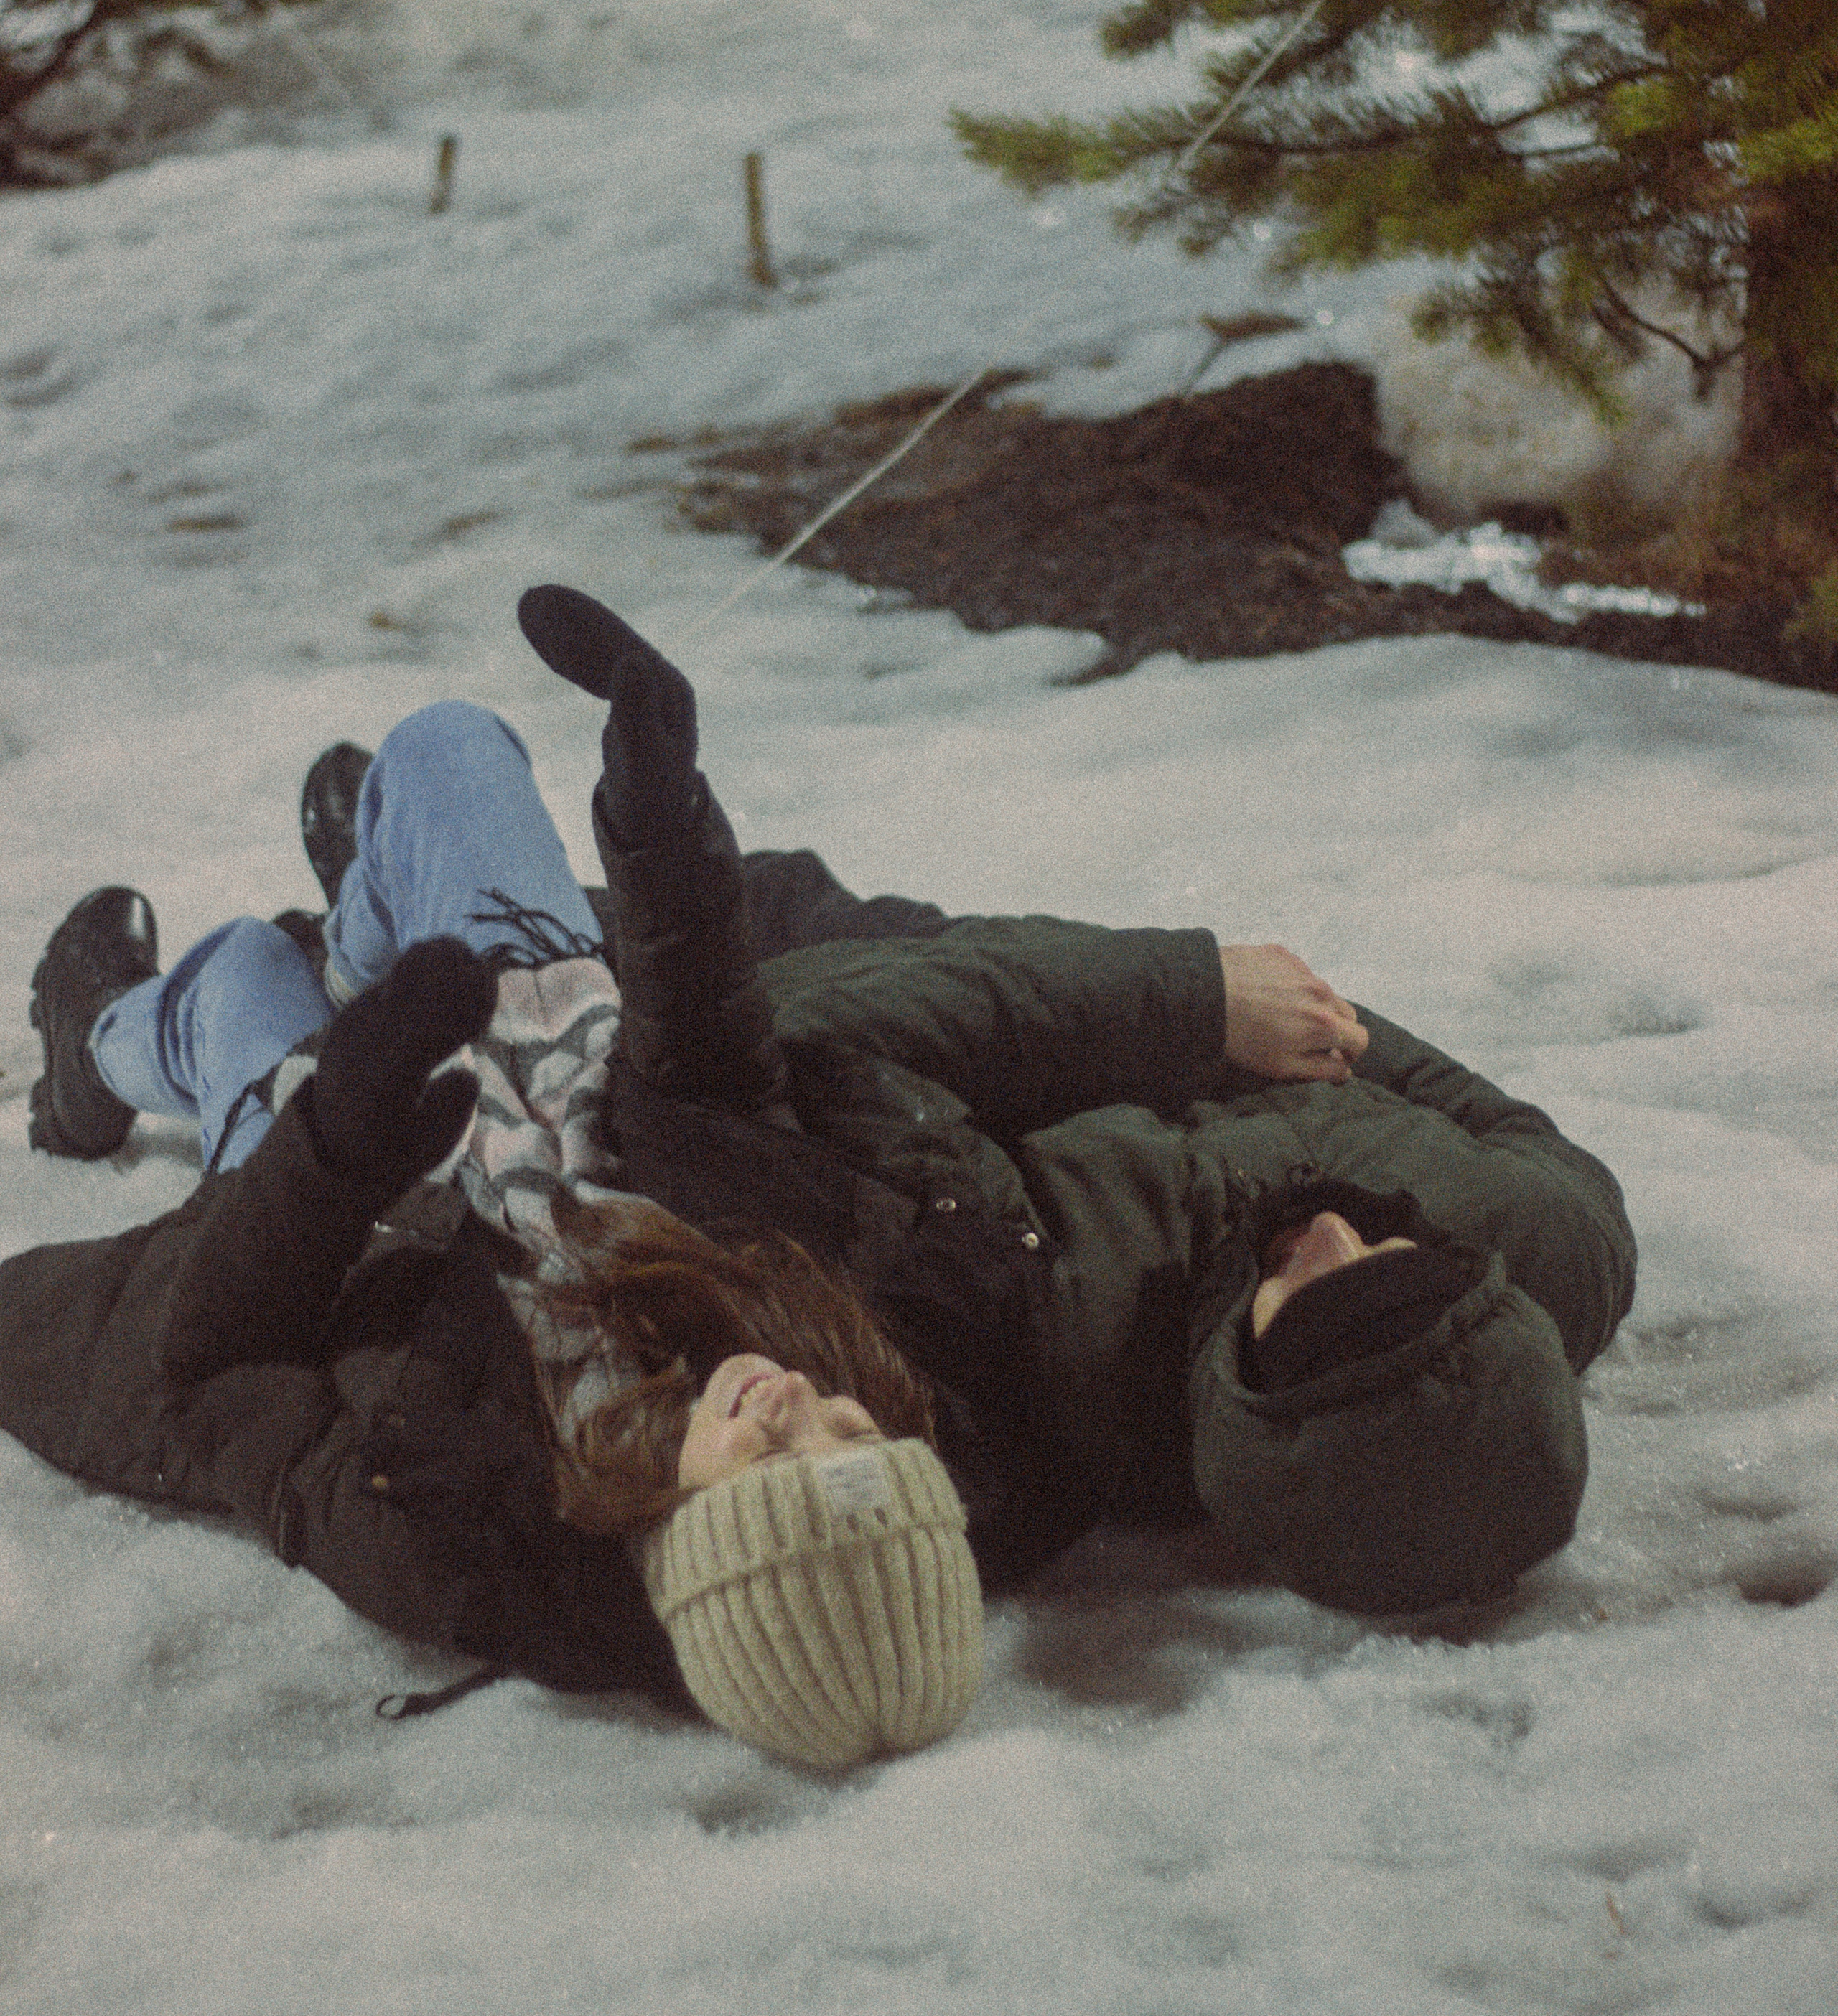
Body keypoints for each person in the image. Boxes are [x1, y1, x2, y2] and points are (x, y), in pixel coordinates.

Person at [4, 589, 1636, 1773]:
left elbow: (211, 1365)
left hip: (350, 1199)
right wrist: (661, 832)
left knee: (248, 1003)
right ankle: (371, 916)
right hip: (558, 1031)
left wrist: (336, 1135)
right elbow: (725, 1098)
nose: (797, 1401)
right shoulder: (898, 1357)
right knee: (445, 767)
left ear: (679, 1549)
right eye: (850, 1430)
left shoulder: (459, 1528)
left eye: (779, 1454)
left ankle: (116, 1045)